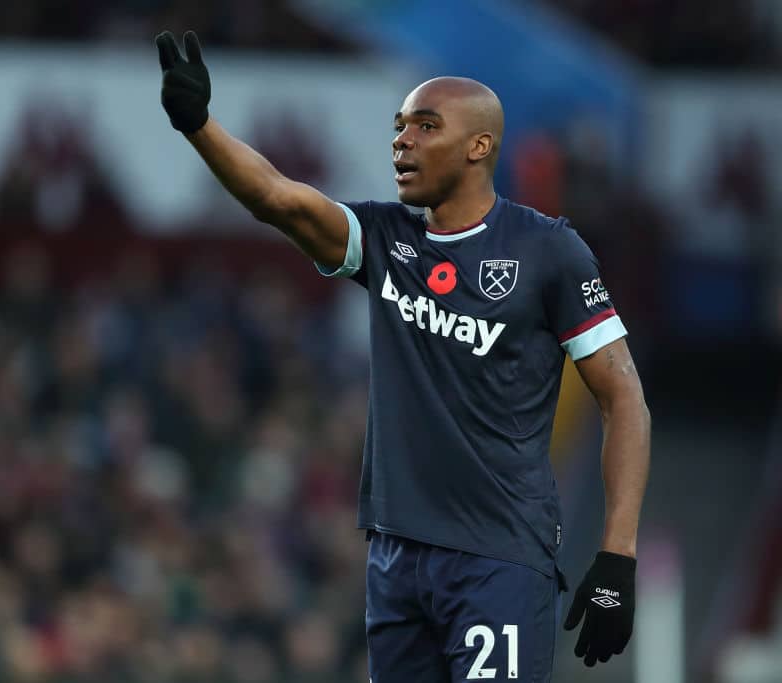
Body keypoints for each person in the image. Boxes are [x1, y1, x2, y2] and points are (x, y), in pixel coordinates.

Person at [155, 31, 651, 682]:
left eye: (425, 126)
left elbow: (623, 397)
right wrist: (198, 126)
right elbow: (278, 198)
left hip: (498, 555)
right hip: (396, 557)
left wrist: (617, 554)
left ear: (479, 147)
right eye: (398, 126)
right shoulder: (386, 238)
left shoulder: (548, 251)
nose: (402, 140)